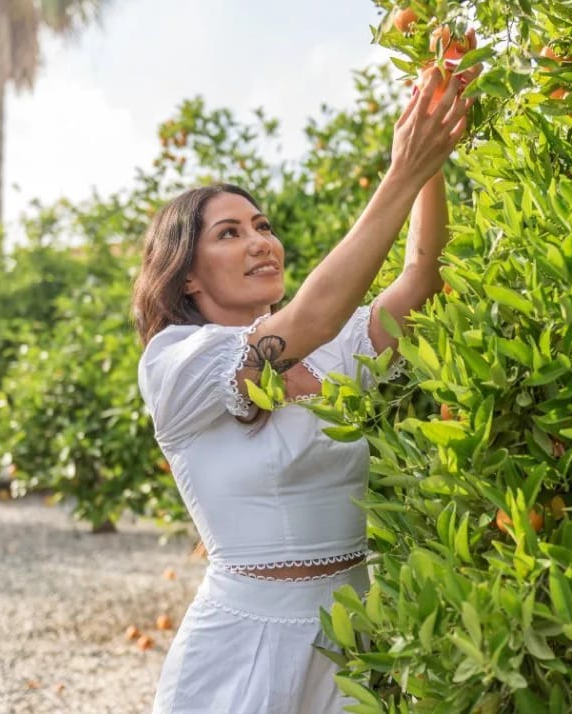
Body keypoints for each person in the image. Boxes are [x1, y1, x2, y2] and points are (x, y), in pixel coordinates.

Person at [131, 62, 481, 713]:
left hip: (349, 632)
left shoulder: (332, 345)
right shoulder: (178, 364)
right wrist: (400, 172)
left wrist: (428, 156)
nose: (260, 242)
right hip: (244, 644)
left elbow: (420, 278)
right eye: (230, 233)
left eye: (262, 226)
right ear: (186, 276)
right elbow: (311, 316)